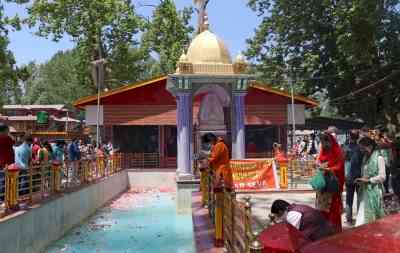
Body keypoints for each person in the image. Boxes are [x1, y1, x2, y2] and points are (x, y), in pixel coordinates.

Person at [316, 132, 345, 232]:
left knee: (333, 209)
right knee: (321, 208)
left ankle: (334, 230)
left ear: (330, 141)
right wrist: (318, 165)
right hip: (323, 185)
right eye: (322, 142)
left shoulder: (337, 151)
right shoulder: (323, 150)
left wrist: (330, 169)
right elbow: (319, 161)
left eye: (325, 142)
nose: (324, 145)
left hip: (333, 185)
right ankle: (324, 230)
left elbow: (340, 166)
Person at [355, 137, 386, 226]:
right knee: (362, 218)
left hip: (375, 192)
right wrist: (362, 179)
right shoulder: (365, 158)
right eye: (360, 148)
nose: (361, 150)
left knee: (374, 219)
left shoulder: (379, 158)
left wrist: (369, 180)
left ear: (370, 146)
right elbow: (365, 173)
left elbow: (383, 176)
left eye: (363, 148)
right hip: (364, 192)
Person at [270, 199, 336, 242]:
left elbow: (291, 234)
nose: (278, 218)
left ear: (280, 211)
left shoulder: (292, 214)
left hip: (320, 237)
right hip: (323, 231)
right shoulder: (295, 207)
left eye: (277, 215)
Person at [343, 130, 363, 224]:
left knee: (349, 199)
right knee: (359, 197)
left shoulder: (345, 147)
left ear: (350, 137)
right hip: (359, 176)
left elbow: (342, 161)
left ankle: (349, 219)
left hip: (348, 176)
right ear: (358, 137)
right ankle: (359, 218)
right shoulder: (361, 148)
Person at [0, 123, 15, 201]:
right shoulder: (6, 138)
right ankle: (3, 198)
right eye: (7, 130)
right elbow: (14, 141)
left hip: (2, 163)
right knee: (4, 182)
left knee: (2, 181)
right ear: (5, 130)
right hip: (6, 164)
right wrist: (9, 134)